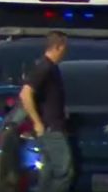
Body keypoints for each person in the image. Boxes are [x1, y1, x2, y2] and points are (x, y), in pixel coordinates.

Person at [19, 31, 73, 192]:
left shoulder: (52, 68)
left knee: (48, 171)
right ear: (58, 46)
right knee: (65, 171)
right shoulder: (44, 67)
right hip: (50, 129)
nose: (66, 51)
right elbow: (25, 93)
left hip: (55, 126)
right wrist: (37, 123)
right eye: (65, 47)